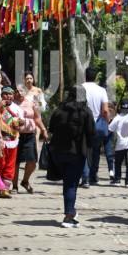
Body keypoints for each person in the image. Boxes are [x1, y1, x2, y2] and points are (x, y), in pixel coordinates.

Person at [48, 85, 95, 228]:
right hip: (76, 154)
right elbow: (91, 133)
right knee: (71, 185)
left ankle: (71, 211)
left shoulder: (59, 111)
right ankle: (68, 216)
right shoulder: (85, 112)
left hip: (58, 153)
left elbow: (51, 129)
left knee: (68, 184)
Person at [13, 87, 48, 194]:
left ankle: (25, 180)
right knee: (16, 162)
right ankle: (14, 186)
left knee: (32, 161)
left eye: (21, 91)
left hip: (29, 135)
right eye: (17, 91)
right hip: (15, 136)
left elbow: (37, 118)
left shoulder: (31, 102)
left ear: (25, 92)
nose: (19, 93)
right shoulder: (11, 104)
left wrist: (43, 129)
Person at [81, 67, 112, 186]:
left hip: (83, 124)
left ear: (85, 76)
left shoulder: (80, 89)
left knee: (83, 150)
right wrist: (108, 122)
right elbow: (105, 110)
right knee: (95, 151)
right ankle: (93, 176)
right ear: (95, 77)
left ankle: (85, 177)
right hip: (97, 126)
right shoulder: (101, 90)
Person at [0, 86, 25, 192]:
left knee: (10, 165)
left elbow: (22, 125)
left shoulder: (18, 109)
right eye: (5, 94)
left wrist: (20, 124)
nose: (8, 96)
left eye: (10, 94)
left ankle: (5, 188)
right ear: (1, 95)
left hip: (13, 140)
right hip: (0, 140)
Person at [108, 99, 128, 186]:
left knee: (118, 163)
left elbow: (110, 129)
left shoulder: (117, 117)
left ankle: (117, 179)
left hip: (120, 144)